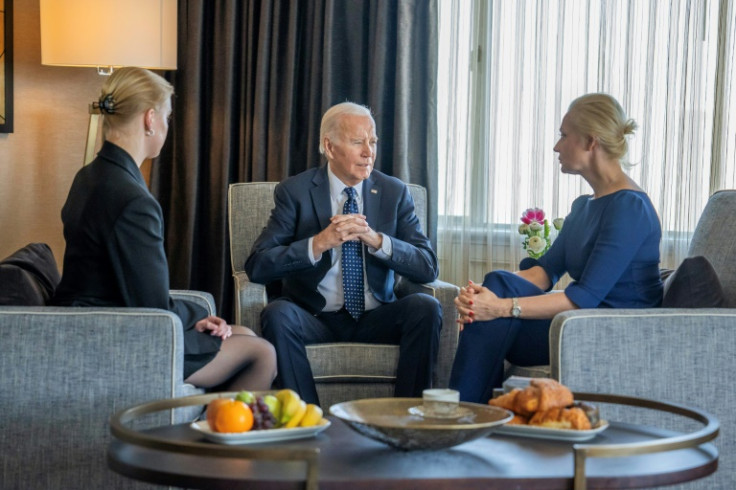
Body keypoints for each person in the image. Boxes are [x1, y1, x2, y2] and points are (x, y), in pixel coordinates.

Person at [51, 67, 276, 392]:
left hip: (94, 324)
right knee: (261, 353)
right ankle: (218, 439)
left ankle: (214, 433)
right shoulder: (132, 200)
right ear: (150, 119)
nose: (167, 127)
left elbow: (134, 291)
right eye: (167, 118)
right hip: (118, 339)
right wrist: (197, 313)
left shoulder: (89, 176)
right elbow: (154, 310)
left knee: (245, 335)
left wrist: (195, 316)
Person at [449, 93, 663, 403]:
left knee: (495, 310)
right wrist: (484, 295)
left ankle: (464, 417)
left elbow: (584, 299)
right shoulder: (585, 207)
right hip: (578, 324)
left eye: (564, 135)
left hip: (614, 332)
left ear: (591, 142)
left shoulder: (629, 209)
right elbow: (544, 272)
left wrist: (500, 306)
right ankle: (472, 417)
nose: (556, 146)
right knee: (496, 283)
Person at [244, 101, 443, 406]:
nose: (369, 152)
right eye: (357, 142)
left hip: (377, 315)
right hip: (315, 316)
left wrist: (376, 240)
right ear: (329, 146)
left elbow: (428, 266)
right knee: (277, 313)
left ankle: (406, 417)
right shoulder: (295, 192)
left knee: (425, 307)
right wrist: (319, 242)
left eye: (372, 141)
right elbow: (258, 265)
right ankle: (306, 419)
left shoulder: (394, 192)